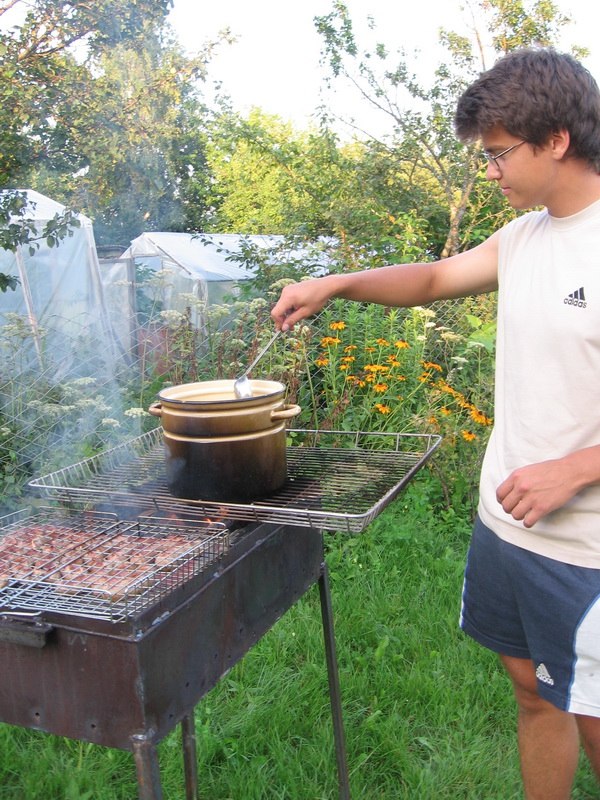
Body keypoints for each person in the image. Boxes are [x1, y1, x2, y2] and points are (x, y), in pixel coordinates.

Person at [270, 47, 600, 799]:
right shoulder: (525, 237)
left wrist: (576, 469)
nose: (490, 171)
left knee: (594, 720)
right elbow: (432, 280)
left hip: (587, 549)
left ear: (556, 140)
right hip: (506, 527)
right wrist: (338, 282)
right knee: (532, 694)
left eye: (498, 153)